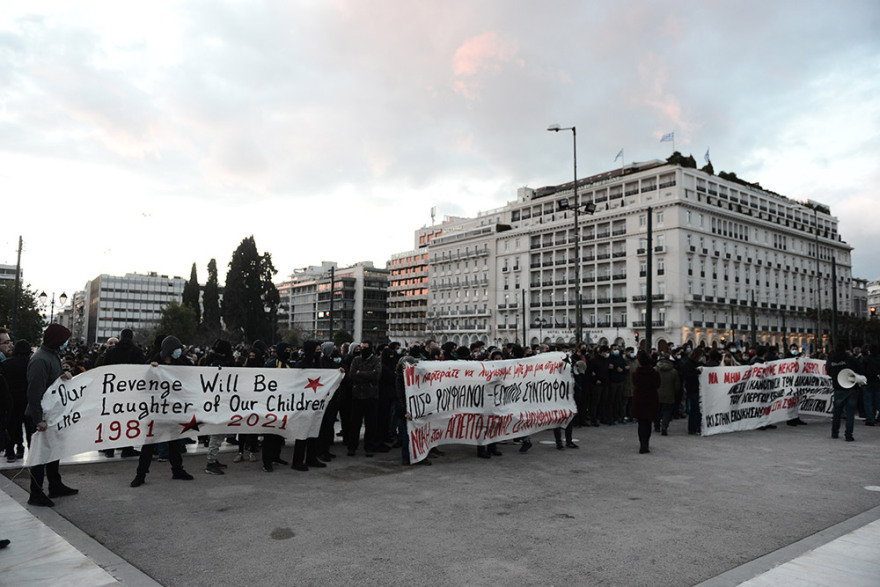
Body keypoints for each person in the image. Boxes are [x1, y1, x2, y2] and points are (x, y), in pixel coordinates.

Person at [130, 336, 195, 487]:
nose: (179, 352)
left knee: (174, 443)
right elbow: (145, 383)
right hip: (157, 411)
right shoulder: (153, 363)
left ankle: (177, 470)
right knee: (149, 444)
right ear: (169, 350)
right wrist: (151, 370)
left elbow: (190, 374)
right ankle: (140, 475)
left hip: (173, 410)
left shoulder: (179, 363)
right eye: (176, 349)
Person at [25, 324, 79, 507]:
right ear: (57, 340)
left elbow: (51, 381)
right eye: (64, 340)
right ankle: (36, 493)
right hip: (40, 416)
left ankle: (55, 485)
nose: (66, 343)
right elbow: (35, 391)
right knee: (39, 456)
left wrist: (62, 375)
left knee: (53, 451)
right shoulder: (40, 359)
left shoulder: (52, 355)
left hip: (51, 414)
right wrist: (38, 419)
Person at [99, 329, 144, 458]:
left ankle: (109, 448)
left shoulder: (111, 351)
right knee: (127, 418)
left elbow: (104, 369)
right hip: (130, 389)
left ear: (121, 336)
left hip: (113, 389)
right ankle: (127, 448)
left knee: (112, 417)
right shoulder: (136, 351)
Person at [200, 339, 235, 475]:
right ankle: (211, 462)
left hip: (218, 401)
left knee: (219, 433)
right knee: (217, 432)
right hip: (218, 403)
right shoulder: (219, 364)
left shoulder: (209, 361)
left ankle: (213, 458)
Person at [347, 341, 380, 457]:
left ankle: (369, 447)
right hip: (357, 395)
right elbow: (352, 374)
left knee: (370, 424)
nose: (363, 350)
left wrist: (360, 373)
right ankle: (352, 447)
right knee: (354, 424)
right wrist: (368, 375)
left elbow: (377, 375)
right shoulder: (356, 360)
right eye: (361, 347)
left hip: (371, 396)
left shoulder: (376, 360)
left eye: (365, 348)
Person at [3, 338, 33, 462]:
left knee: (13, 426)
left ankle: (12, 451)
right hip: (28, 399)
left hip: (12, 399)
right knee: (30, 428)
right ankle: (31, 452)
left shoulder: (6, 364)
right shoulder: (31, 363)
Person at [826, 342, 861, 442]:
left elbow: (828, 371)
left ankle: (834, 433)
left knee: (837, 412)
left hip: (838, 388)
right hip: (851, 388)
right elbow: (860, 369)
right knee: (850, 413)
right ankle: (848, 435)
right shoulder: (850, 358)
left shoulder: (831, 359)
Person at [631, 351, 660, 454]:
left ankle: (642, 444)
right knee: (648, 423)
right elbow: (657, 384)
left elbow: (635, 383)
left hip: (639, 399)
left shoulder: (636, 373)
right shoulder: (654, 373)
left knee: (641, 423)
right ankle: (646, 443)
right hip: (651, 399)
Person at [654, 351, 681, 436]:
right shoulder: (673, 371)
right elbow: (677, 385)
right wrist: (675, 393)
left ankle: (657, 426)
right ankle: (664, 426)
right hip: (669, 394)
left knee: (657, 411)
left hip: (656, 394)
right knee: (667, 412)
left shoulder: (655, 369)